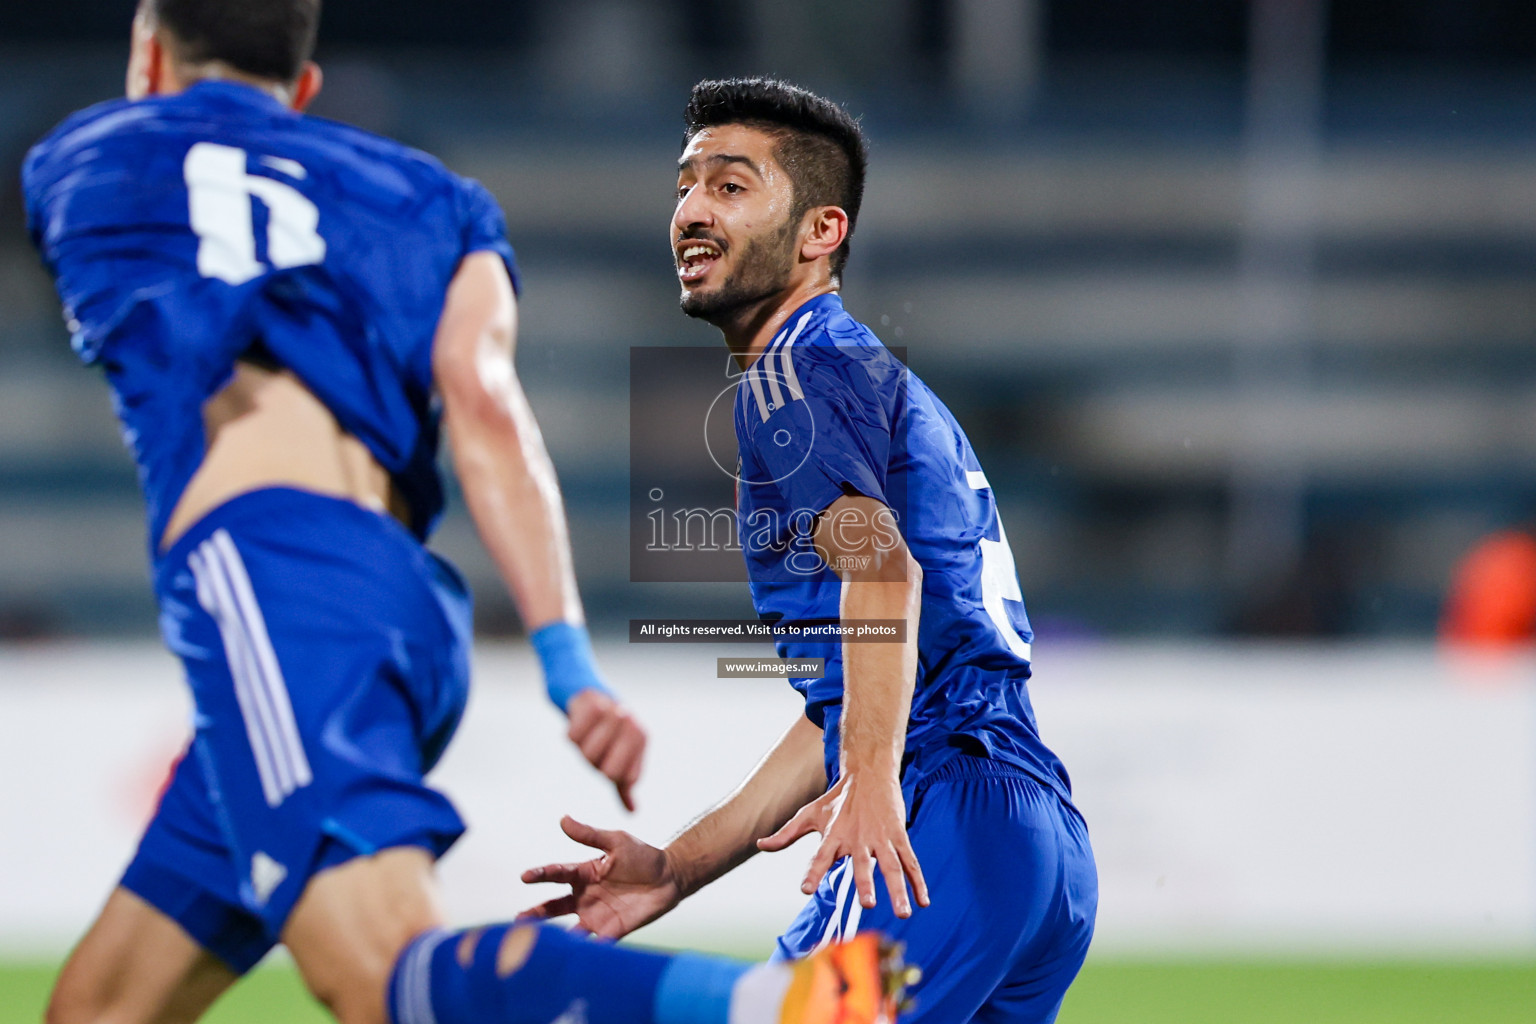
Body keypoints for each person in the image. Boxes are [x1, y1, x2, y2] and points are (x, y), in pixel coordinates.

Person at [24, 7, 904, 1024]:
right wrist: (565, 659)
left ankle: (778, 1007)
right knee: (98, 1008)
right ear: (306, 95)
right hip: (405, 609)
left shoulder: (86, 156)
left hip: (272, 576)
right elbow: (485, 408)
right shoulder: (432, 199)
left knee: (378, 968)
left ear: (146, 54)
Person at [522, 79, 1099, 1023]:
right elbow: (857, 686)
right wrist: (678, 869)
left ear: (820, 230)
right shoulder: (854, 372)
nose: (692, 211)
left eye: (732, 186)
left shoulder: (795, 372)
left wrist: (872, 783)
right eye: (686, 184)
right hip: (1029, 841)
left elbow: (882, 573)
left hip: (932, 814)